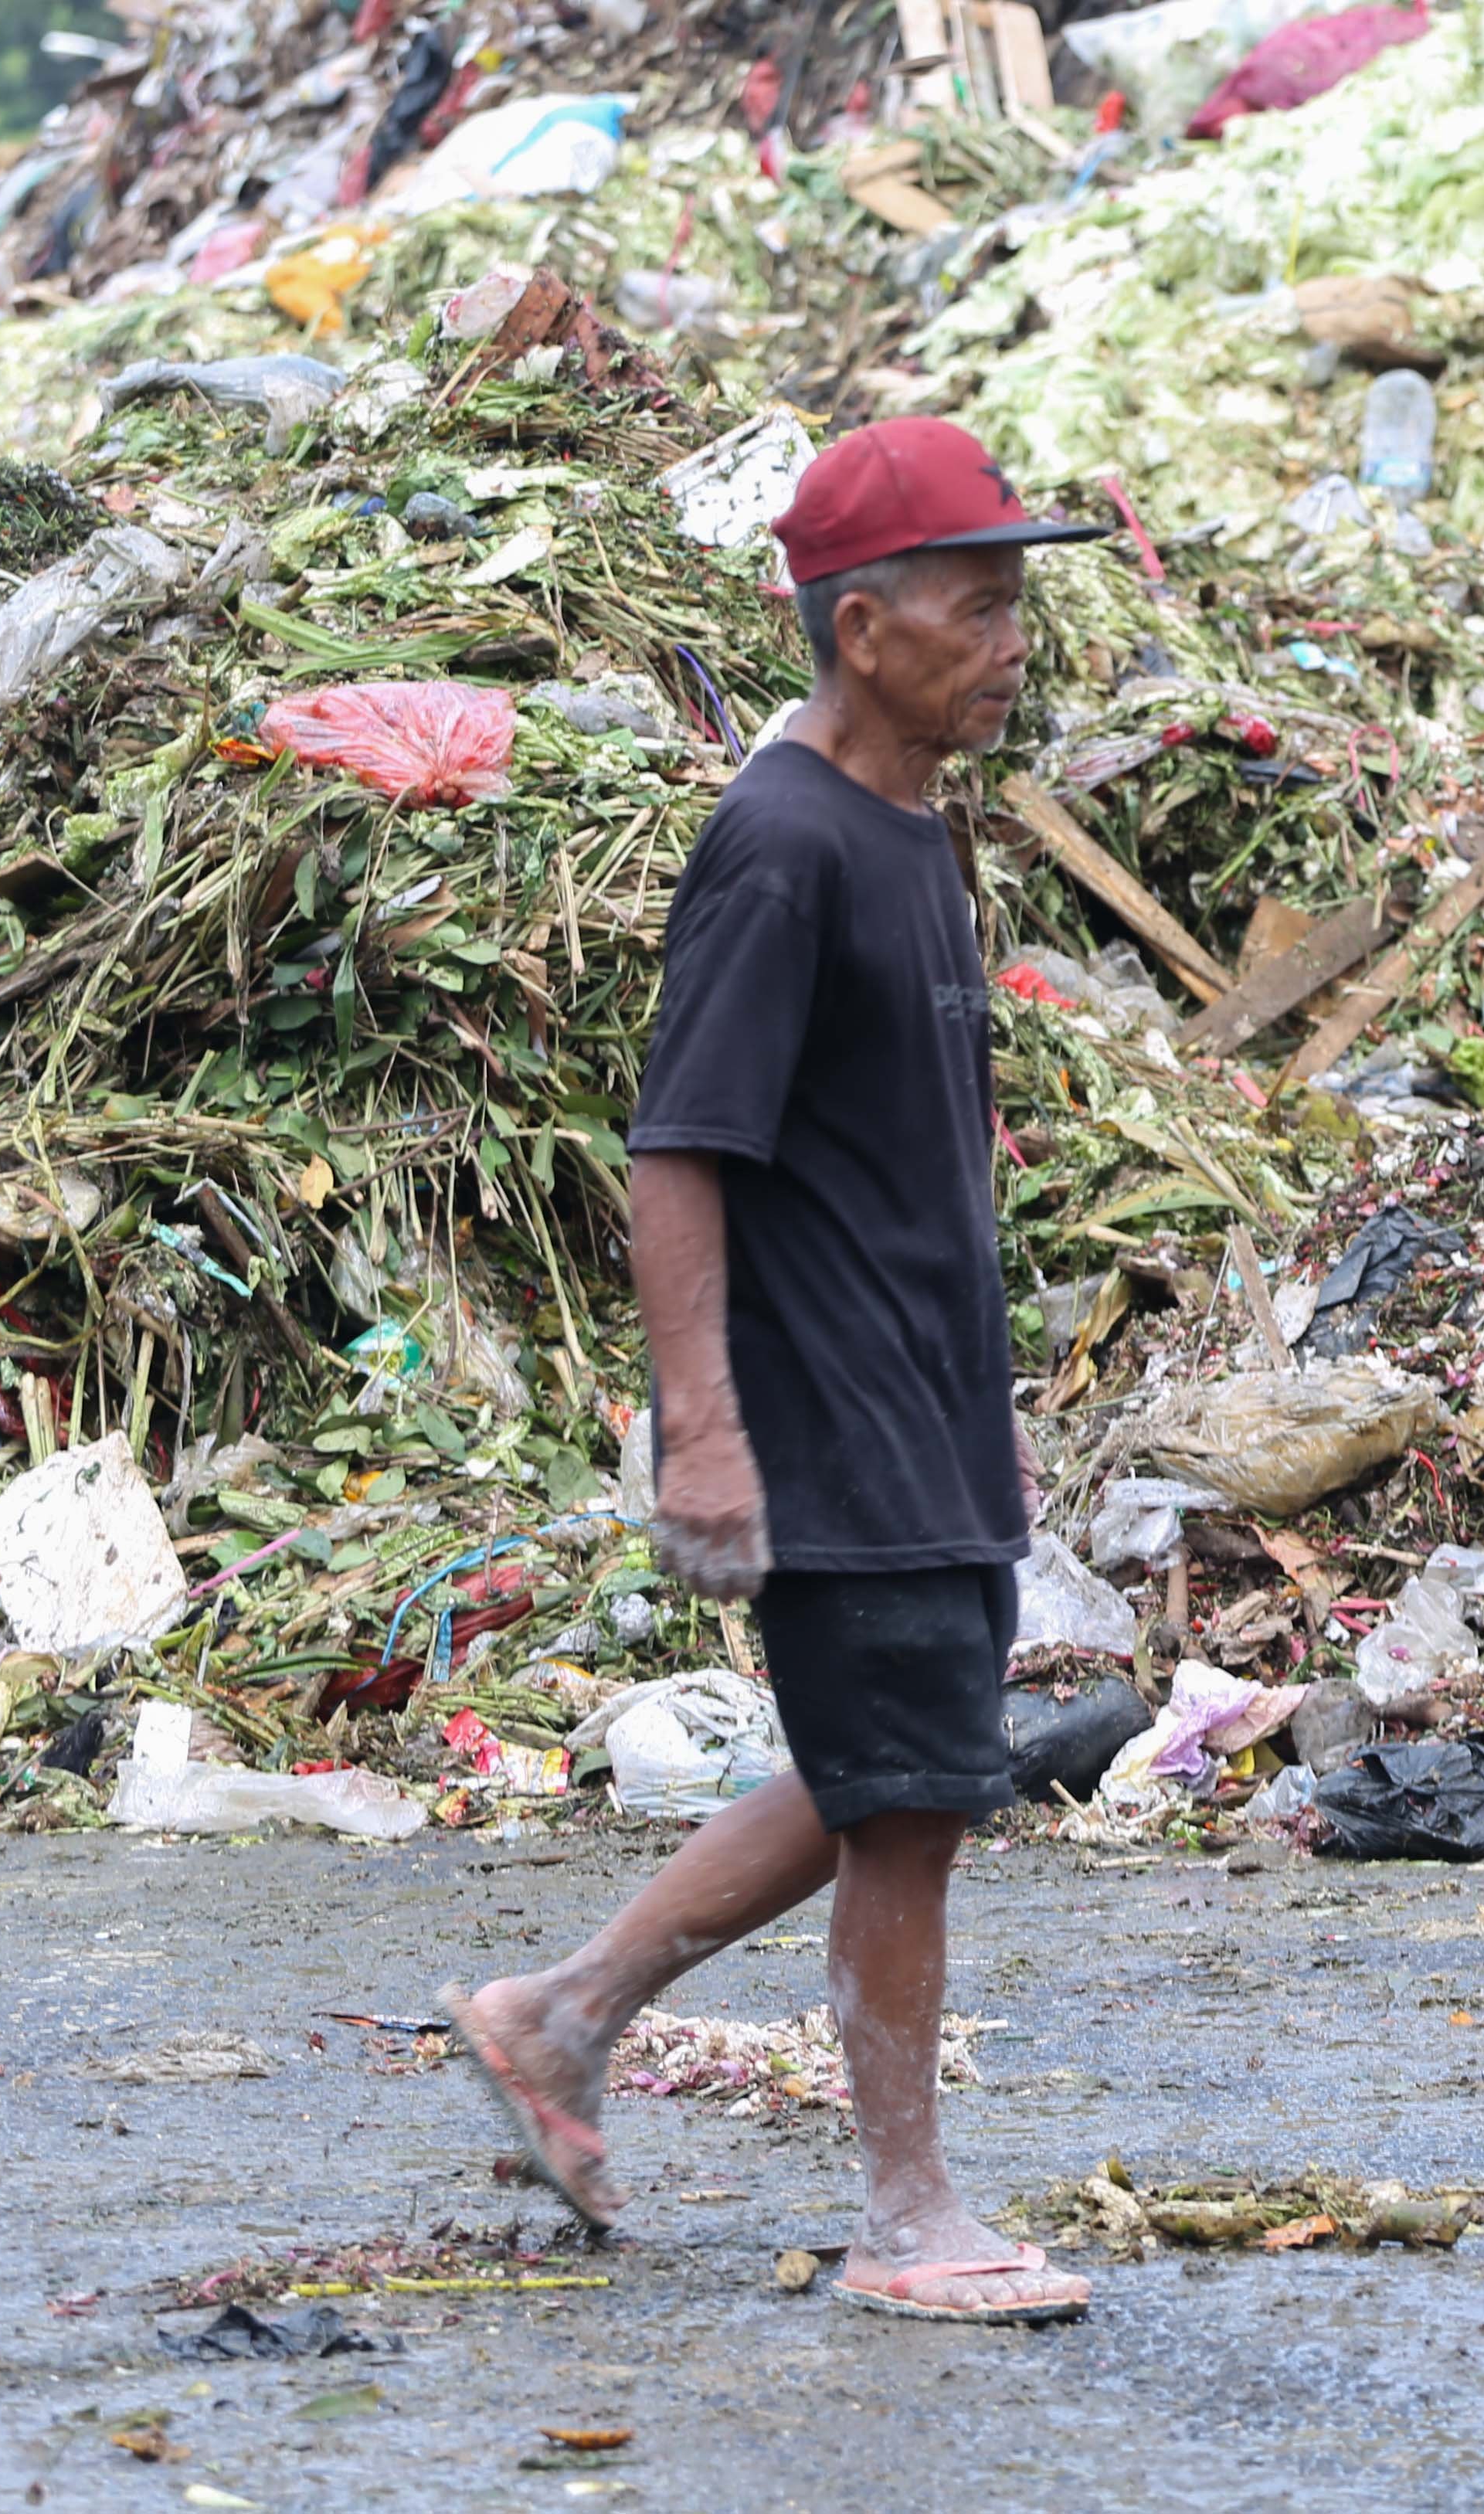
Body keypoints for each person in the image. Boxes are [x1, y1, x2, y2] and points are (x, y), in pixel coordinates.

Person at [444, 418, 1103, 2325]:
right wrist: (705, 1431)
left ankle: (559, 2019)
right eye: (980, 608)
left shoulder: (907, 824)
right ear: (864, 622)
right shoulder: (784, 842)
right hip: (828, 1407)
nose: (1012, 639)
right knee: (909, 1808)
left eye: (1018, 603)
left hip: (931, 1398)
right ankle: (909, 2215)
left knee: (890, 1760)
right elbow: (681, 1150)